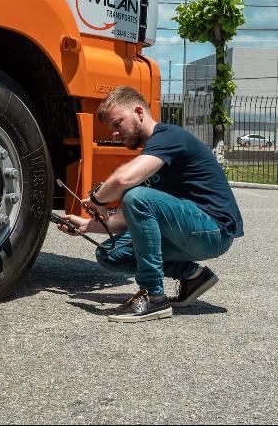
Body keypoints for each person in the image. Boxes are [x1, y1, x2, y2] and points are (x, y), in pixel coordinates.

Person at [56, 86, 243, 323]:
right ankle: (194, 275)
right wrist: (86, 225)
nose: (114, 134)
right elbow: (135, 219)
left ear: (139, 112)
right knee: (110, 253)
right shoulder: (155, 152)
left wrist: (97, 198)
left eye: (117, 124)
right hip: (188, 230)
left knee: (135, 195)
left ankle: (153, 297)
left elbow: (125, 182)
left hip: (214, 230)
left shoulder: (169, 136)